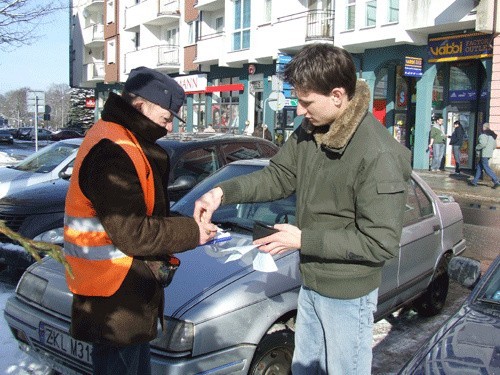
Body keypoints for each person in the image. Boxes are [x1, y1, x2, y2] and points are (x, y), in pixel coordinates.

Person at [193, 44, 412, 374]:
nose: (298, 110)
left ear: (337, 95)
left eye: (306, 101)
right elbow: (278, 177)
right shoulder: (312, 130)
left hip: (348, 296)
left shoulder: (379, 154)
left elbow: (380, 242)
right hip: (311, 284)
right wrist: (223, 191)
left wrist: (303, 240)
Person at [63, 66, 218, 375]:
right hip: (114, 299)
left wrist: (187, 221)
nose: (171, 125)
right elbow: (133, 232)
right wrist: (192, 231)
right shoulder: (114, 150)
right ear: (139, 105)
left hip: (124, 296)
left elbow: (143, 214)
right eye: (167, 115)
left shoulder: (126, 142)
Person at [468, 122, 500, 189]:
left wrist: (477, 147)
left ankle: (496, 180)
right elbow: (494, 146)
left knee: (486, 168)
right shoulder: (492, 135)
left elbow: (482, 144)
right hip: (489, 154)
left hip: (484, 154)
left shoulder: (483, 135)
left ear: (484, 127)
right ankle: (474, 181)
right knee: (480, 167)